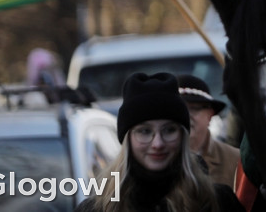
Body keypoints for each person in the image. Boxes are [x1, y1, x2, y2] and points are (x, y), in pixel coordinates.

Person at [75, 72, 242, 212]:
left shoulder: (217, 202)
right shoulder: (98, 208)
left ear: (182, 136)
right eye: (145, 131)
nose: (158, 144)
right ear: (128, 138)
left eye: (169, 130)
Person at [177, 74, 240, 190]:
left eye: (194, 108)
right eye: (178, 109)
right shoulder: (155, 160)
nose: (185, 116)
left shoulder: (236, 161)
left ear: (210, 115)